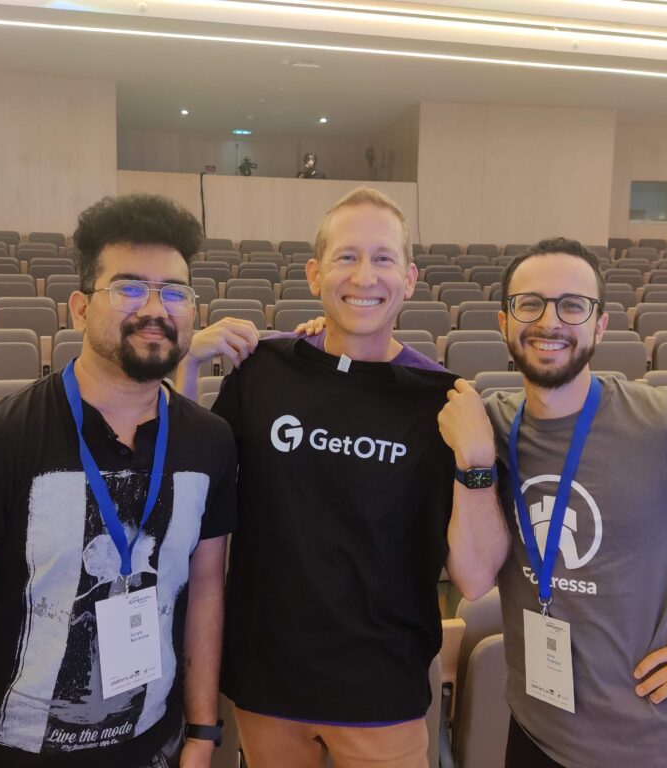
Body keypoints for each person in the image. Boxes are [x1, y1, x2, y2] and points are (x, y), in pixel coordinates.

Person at [0, 194, 238, 767]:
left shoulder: (210, 442)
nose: (156, 309)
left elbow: (204, 591)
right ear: (80, 309)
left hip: (157, 749)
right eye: (129, 289)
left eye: (174, 292)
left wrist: (202, 731)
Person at [438, 236, 667, 768]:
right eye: (530, 303)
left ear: (600, 325)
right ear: (504, 322)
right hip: (534, 732)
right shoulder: (487, 424)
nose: (550, 321)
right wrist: (315, 339)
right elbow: (472, 581)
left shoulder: (665, 425)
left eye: (573, 305)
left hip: (648, 748)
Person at [174, 187, 500, 767]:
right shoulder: (263, 373)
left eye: (383, 258)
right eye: (347, 256)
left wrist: (477, 460)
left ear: (409, 279)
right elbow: (183, 488)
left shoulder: (444, 402)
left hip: (383, 692)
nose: (364, 275)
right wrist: (186, 362)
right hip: (268, 681)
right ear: (315, 273)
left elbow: (474, 578)